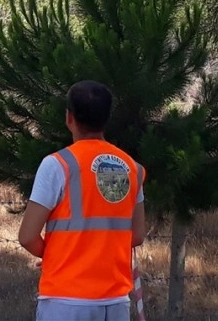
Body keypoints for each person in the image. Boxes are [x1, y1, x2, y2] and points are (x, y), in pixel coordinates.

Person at [18, 80, 146, 321]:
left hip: (66, 300)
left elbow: (27, 236)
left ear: (69, 117)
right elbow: (136, 235)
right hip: (116, 300)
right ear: (106, 118)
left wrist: (54, 256)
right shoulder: (133, 168)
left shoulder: (57, 165)